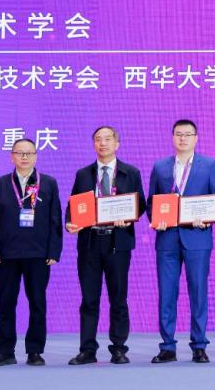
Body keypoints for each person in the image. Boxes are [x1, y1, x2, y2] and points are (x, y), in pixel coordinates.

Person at [64, 126, 146, 365]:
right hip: (90, 242)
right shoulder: (83, 174)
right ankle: (87, 350)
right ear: (94, 145)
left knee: (118, 298)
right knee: (89, 299)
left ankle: (118, 348)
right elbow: (73, 205)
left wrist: (129, 217)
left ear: (117, 144)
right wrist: (69, 222)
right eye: (98, 140)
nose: (103, 143)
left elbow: (140, 203)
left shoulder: (131, 172)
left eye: (108, 139)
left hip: (118, 242)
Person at [147, 119, 215, 364]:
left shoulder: (210, 165)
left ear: (196, 138)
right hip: (167, 238)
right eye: (179, 134)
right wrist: (156, 220)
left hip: (197, 237)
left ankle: (199, 345)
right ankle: (167, 346)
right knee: (166, 293)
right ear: (172, 137)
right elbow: (152, 202)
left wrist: (208, 218)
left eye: (188, 134)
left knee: (198, 292)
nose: (183, 138)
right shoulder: (160, 166)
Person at [0, 138, 62, 367]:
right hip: (7, 254)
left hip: (39, 254)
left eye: (29, 153)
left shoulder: (48, 183)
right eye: (19, 153)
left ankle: (35, 351)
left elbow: (55, 220)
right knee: (6, 304)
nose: (24, 157)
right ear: (12, 157)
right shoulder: (0, 184)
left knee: (37, 303)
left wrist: (54, 251)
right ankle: (5, 351)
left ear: (36, 156)